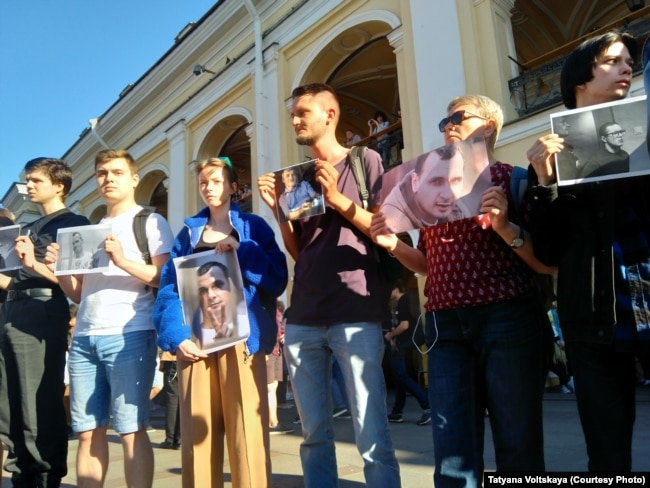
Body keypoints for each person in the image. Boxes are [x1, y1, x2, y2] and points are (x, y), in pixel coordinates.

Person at [371, 94, 553, 486]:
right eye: (444, 120)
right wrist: (394, 246)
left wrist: (505, 225)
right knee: (452, 452)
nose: (447, 125)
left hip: (507, 318)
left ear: (488, 126)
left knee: (518, 442)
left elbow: (545, 260)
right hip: (445, 326)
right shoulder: (435, 189)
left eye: (457, 116)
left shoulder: (513, 178)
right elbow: (426, 265)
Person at [258, 83, 401, 488]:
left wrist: (337, 198)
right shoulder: (297, 177)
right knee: (313, 435)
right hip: (304, 314)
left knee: (371, 434)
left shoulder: (364, 160)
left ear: (330, 115)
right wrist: (278, 212)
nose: (295, 120)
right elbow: (300, 251)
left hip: (355, 311)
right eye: (293, 114)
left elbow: (383, 230)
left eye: (303, 112)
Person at [525, 30, 646, 471]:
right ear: (579, 78)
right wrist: (543, 183)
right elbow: (551, 252)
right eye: (613, 61)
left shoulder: (643, 134)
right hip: (593, 314)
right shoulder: (553, 156)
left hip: (645, 291)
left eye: (629, 61)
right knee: (607, 449)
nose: (627, 67)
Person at [153, 157, 288, 488]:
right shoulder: (187, 234)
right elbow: (170, 288)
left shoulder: (253, 226)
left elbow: (277, 278)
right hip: (196, 342)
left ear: (232, 186)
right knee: (199, 440)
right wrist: (176, 335)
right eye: (203, 182)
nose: (208, 187)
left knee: (248, 438)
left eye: (215, 181)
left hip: (243, 340)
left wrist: (243, 250)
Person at [48, 149, 175, 487]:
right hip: (85, 337)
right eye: (102, 173)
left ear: (133, 179)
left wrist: (122, 259)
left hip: (130, 333)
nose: (108, 179)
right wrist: (58, 268)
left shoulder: (149, 221)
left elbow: (164, 277)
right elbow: (78, 293)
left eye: (117, 172)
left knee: (131, 430)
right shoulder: (90, 230)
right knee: (88, 431)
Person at [0, 158, 90, 487]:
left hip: (41, 310)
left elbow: (70, 281)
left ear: (59, 185)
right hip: (11, 311)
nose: (29, 186)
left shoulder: (73, 224)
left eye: (36, 180)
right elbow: (10, 279)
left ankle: (46, 476)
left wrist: (31, 263)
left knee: (37, 402)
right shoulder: (24, 229)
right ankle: (21, 474)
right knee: (9, 403)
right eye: (28, 180)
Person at [380, 144, 468, 233]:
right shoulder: (392, 224)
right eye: (436, 181)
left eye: (455, 181)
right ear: (415, 182)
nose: (447, 195)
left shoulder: (458, 210)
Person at [384, 281, 430, 425]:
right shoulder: (405, 302)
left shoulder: (403, 301)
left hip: (401, 345)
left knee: (402, 376)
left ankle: (427, 407)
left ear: (396, 289)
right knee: (399, 377)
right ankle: (397, 412)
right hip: (404, 344)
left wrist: (390, 335)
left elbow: (404, 325)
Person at [193, 261, 236, 345]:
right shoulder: (188, 341)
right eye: (203, 291)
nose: (210, 295)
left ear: (230, 286)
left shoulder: (250, 327)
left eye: (217, 285)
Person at [267, 299, 293, 435]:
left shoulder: (276, 311)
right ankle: (272, 423)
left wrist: (282, 335)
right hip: (269, 350)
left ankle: (273, 421)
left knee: (273, 387)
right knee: (269, 387)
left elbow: (278, 329)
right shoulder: (266, 308)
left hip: (276, 349)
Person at [158, 351, 181, 450]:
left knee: (172, 400)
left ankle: (170, 440)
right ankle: (180, 440)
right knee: (185, 400)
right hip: (192, 357)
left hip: (171, 358)